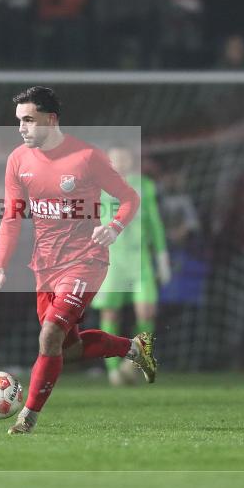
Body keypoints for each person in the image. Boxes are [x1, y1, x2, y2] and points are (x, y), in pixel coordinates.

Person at [0, 87, 156, 435]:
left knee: (49, 337)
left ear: (51, 119)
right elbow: (12, 218)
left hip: (86, 261)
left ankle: (27, 418)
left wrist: (114, 228)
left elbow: (129, 198)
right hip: (45, 266)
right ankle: (132, 347)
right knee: (68, 350)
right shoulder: (18, 160)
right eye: (19, 121)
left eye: (29, 120)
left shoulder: (87, 157)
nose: (21, 128)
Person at [90, 146, 170, 386]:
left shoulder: (143, 185)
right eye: (115, 159)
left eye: (124, 158)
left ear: (131, 161)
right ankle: (113, 368)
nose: (120, 163)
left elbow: (154, 221)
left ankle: (133, 360)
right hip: (110, 261)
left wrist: (162, 257)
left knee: (147, 312)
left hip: (140, 260)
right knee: (110, 313)